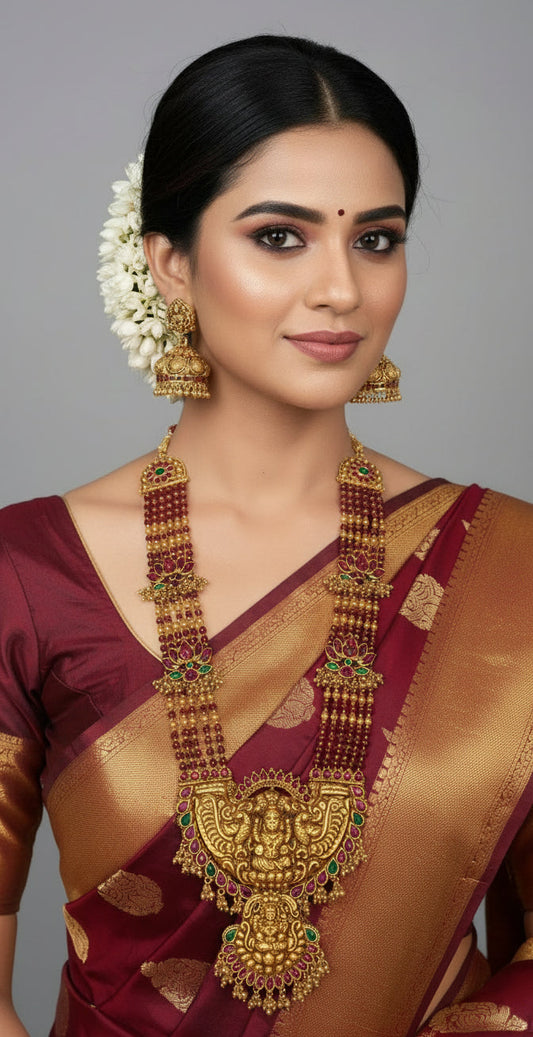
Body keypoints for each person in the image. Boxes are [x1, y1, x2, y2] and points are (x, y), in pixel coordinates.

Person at [0, 33, 531, 1037]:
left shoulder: (510, 567)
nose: (341, 287)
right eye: (279, 236)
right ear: (169, 262)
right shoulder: (25, 574)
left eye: (375, 238)